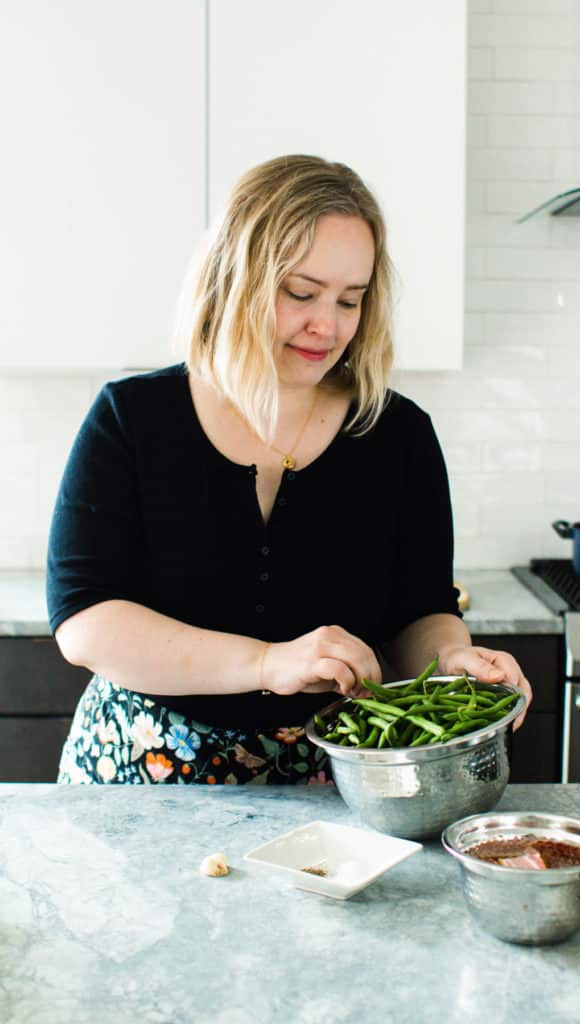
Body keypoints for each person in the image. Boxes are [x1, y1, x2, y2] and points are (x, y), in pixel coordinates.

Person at [47, 154, 532, 785]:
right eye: (299, 293)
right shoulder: (133, 419)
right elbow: (87, 623)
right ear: (235, 279)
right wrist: (266, 662)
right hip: (140, 775)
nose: (326, 326)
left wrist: (451, 662)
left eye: (350, 300)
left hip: (334, 781)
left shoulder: (397, 433)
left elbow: (420, 612)